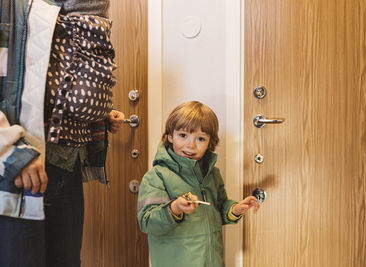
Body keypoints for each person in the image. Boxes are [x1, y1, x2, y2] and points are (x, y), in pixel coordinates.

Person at [0, 0, 124, 266]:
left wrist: (100, 112)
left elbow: (60, 78)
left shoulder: (78, 13)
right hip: (17, 172)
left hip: (67, 170)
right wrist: (11, 148)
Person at [137, 101, 260, 267]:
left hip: (212, 260)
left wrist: (234, 209)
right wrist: (175, 208)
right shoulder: (157, 176)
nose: (191, 145)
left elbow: (219, 207)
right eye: (183, 135)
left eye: (200, 138)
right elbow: (147, 222)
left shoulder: (212, 174)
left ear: (210, 143)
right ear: (170, 136)